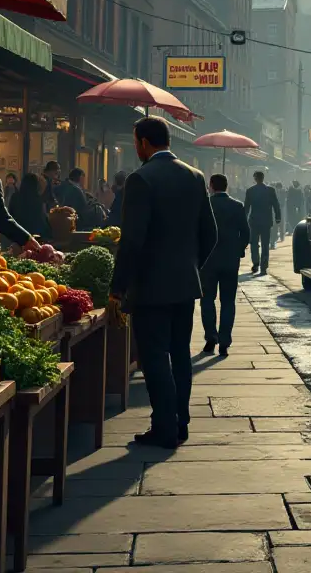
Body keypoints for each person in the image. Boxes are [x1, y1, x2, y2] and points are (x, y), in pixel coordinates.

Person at [108, 117, 218, 448]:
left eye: (135, 142)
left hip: (151, 288)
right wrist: (189, 266)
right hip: (184, 286)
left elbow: (131, 242)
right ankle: (180, 421)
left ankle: (164, 427)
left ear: (143, 142)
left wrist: (118, 287)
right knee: (180, 355)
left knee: (154, 357)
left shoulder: (141, 179)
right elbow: (210, 234)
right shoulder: (195, 176)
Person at [200, 173, 250, 357]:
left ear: (211, 185)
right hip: (230, 261)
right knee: (228, 302)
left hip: (208, 262)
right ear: (227, 186)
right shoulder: (237, 206)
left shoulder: (206, 205)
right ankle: (224, 342)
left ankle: (210, 337)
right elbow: (245, 232)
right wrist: (238, 250)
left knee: (207, 300)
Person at [243, 170, 281, 274]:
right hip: (266, 220)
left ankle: (256, 263)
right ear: (263, 178)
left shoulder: (250, 190)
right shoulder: (270, 190)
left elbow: (246, 207)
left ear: (255, 179)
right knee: (265, 243)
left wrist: (243, 219)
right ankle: (264, 266)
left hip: (254, 220)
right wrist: (278, 217)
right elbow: (276, 204)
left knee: (254, 243)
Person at [8, 173, 50, 241]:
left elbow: (10, 214)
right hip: (33, 235)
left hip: (17, 232)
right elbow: (41, 220)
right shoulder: (38, 199)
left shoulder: (15, 196)